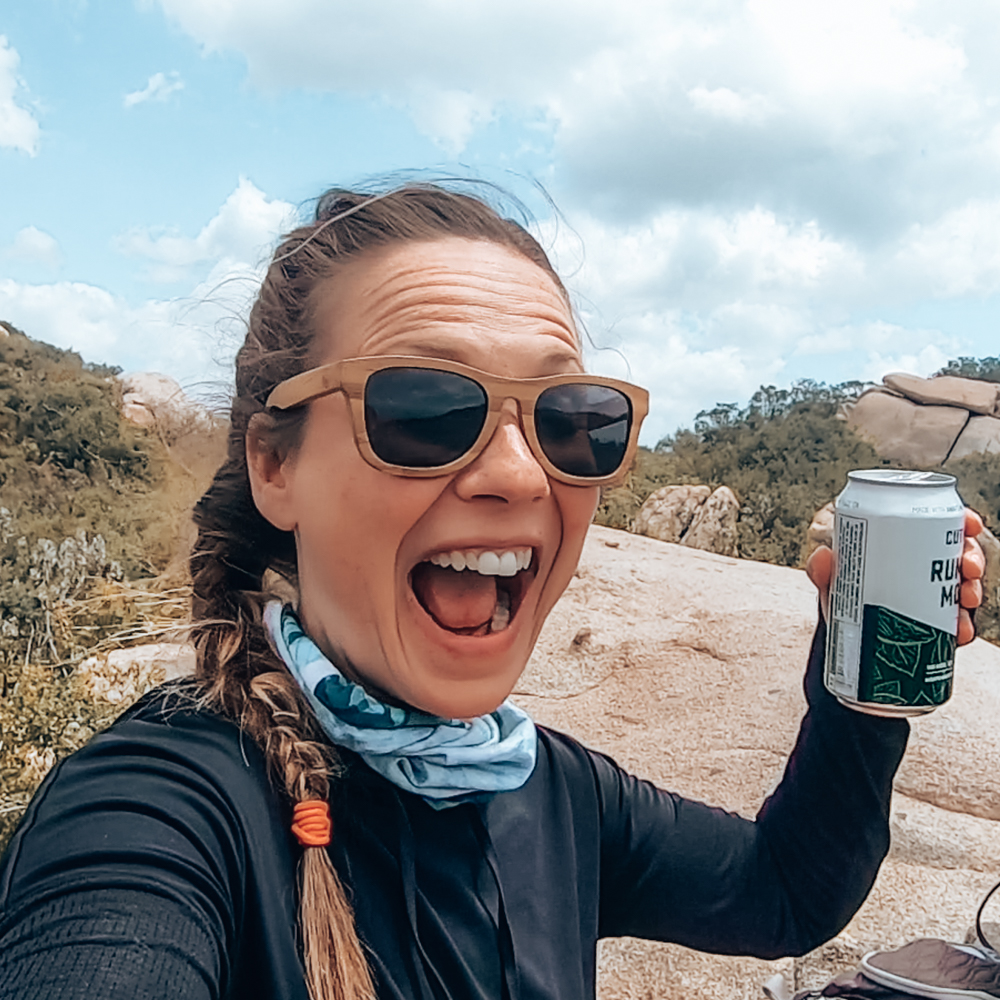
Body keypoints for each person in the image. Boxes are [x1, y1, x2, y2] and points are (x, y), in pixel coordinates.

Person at [0, 184, 986, 1000]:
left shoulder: (547, 791)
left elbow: (783, 894)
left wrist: (862, 671)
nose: (519, 475)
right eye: (424, 408)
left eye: (573, 417)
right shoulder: (156, 805)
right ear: (273, 464)